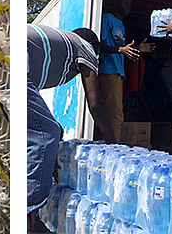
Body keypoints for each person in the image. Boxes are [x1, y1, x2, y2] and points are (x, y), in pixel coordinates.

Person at [27, 24, 116, 222]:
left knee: (50, 129)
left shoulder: (51, 48)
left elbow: (35, 112)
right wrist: (113, 142)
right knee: (46, 134)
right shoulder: (86, 47)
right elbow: (95, 102)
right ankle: (29, 213)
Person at [98, 0, 152, 141]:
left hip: (118, 73)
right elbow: (98, 45)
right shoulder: (107, 19)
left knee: (115, 113)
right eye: (124, 1)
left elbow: (122, 52)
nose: (128, 6)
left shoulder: (120, 24)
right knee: (115, 115)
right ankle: (112, 150)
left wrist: (137, 50)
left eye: (130, 3)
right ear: (115, 1)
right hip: (108, 72)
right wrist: (120, 49)